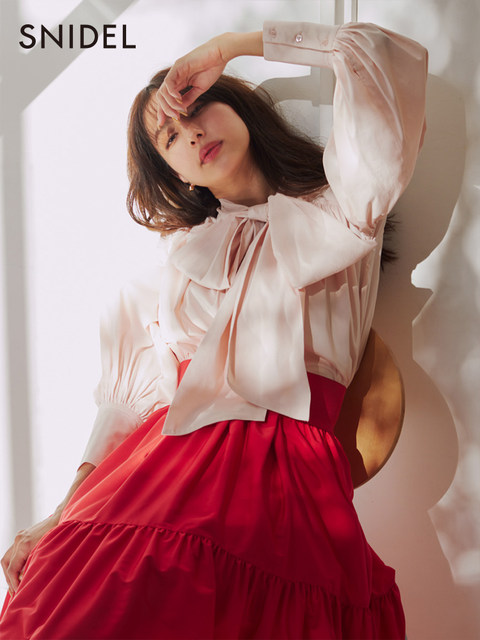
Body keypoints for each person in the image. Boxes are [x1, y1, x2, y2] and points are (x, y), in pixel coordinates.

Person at [0, 19, 427, 639]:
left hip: (285, 481)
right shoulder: (179, 265)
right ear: (175, 174)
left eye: (197, 107)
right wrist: (59, 516)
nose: (192, 131)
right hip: (164, 472)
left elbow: (382, 61)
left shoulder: (342, 210)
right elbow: (131, 412)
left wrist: (228, 47)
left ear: (235, 103)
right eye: (170, 136)